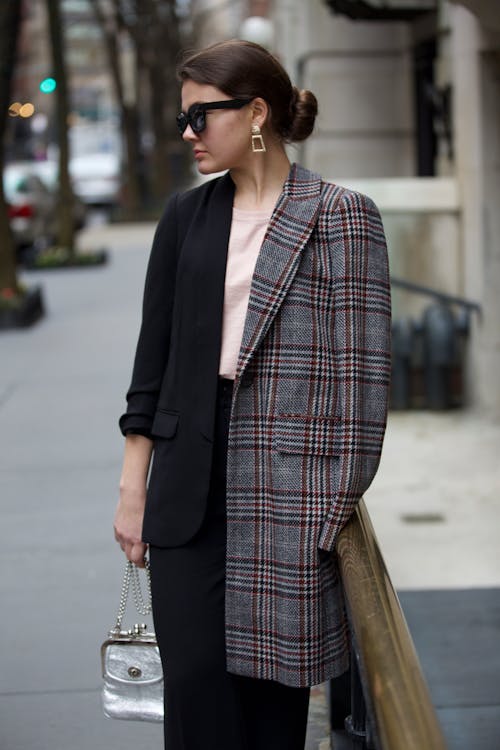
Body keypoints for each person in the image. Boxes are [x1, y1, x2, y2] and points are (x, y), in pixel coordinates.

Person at [114, 39, 391, 750]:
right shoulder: (186, 217)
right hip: (187, 486)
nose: (188, 135)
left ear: (257, 112)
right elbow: (156, 362)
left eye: (200, 117)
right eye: (184, 119)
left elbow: (362, 389)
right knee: (198, 686)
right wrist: (132, 486)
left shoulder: (341, 217)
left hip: (287, 495)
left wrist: (327, 517)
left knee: (272, 710)